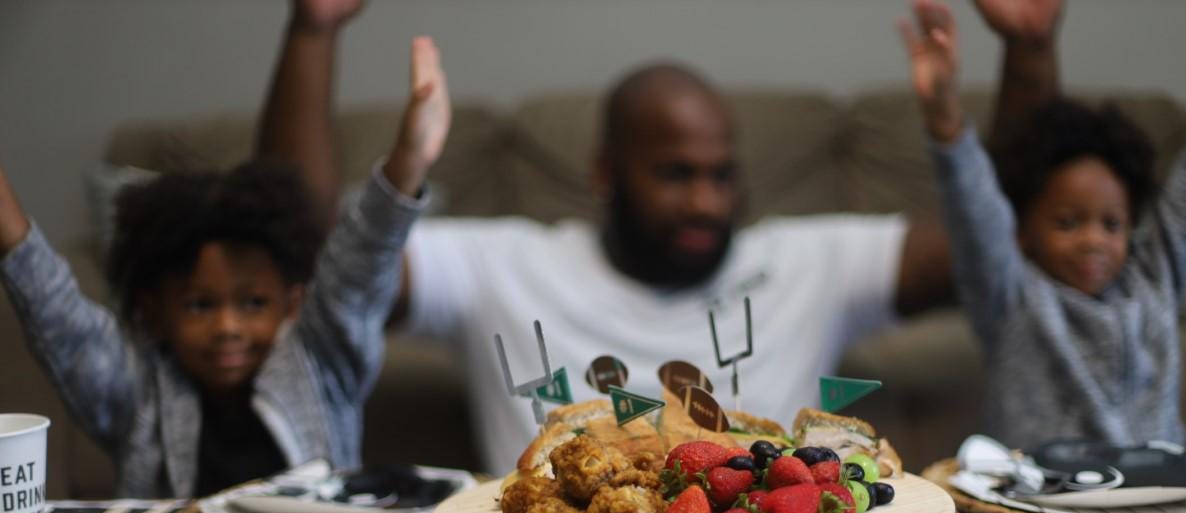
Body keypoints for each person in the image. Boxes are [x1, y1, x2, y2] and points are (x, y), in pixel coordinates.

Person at [259, 0, 1063, 475]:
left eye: (721, 174)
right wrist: (312, 32)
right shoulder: (502, 265)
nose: (706, 201)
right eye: (675, 174)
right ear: (605, 172)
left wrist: (1029, 54)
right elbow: (314, 259)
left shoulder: (805, 260)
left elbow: (999, 253)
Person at [0, 36, 451, 498]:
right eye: (200, 305)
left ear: (291, 304)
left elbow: (360, 264)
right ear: (154, 311)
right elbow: (53, 310)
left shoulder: (321, 362)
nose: (227, 327)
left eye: (253, 303)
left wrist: (409, 159)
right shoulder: (135, 393)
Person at [901, 1, 1186, 451]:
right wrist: (944, 115)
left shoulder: (1152, 281)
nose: (1093, 240)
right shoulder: (1011, 295)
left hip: (1155, 487)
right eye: (1067, 222)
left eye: (1111, 224)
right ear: (1024, 230)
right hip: (1041, 490)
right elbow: (973, 209)